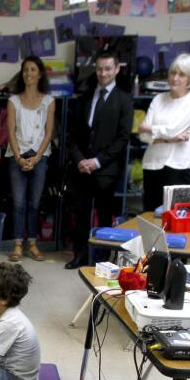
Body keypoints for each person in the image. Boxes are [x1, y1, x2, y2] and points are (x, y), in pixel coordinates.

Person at [65, 50, 133, 269]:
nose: (103, 73)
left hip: (106, 169)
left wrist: (97, 161)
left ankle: (103, 260)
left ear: (116, 69)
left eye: (107, 69)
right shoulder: (85, 97)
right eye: (99, 68)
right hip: (82, 168)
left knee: (105, 216)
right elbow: (74, 135)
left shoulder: (124, 100)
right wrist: (80, 160)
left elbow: (123, 139)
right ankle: (81, 255)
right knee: (81, 215)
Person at [5, 56, 56, 261]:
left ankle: (32, 243)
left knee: (34, 203)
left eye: (33, 70)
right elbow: (10, 132)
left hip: (40, 156)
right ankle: (18, 244)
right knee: (18, 203)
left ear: (40, 73)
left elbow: (48, 133)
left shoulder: (48, 101)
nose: (29, 74)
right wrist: (18, 158)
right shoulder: (13, 101)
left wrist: (35, 158)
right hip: (17, 156)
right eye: (26, 70)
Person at [139, 54, 190, 210]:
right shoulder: (158, 99)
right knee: (150, 215)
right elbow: (143, 135)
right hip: (152, 164)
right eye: (173, 73)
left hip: (179, 166)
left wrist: (153, 131)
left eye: (181, 74)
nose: (175, 78)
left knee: (177, 218)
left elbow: (172, 129)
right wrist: (169, 138)